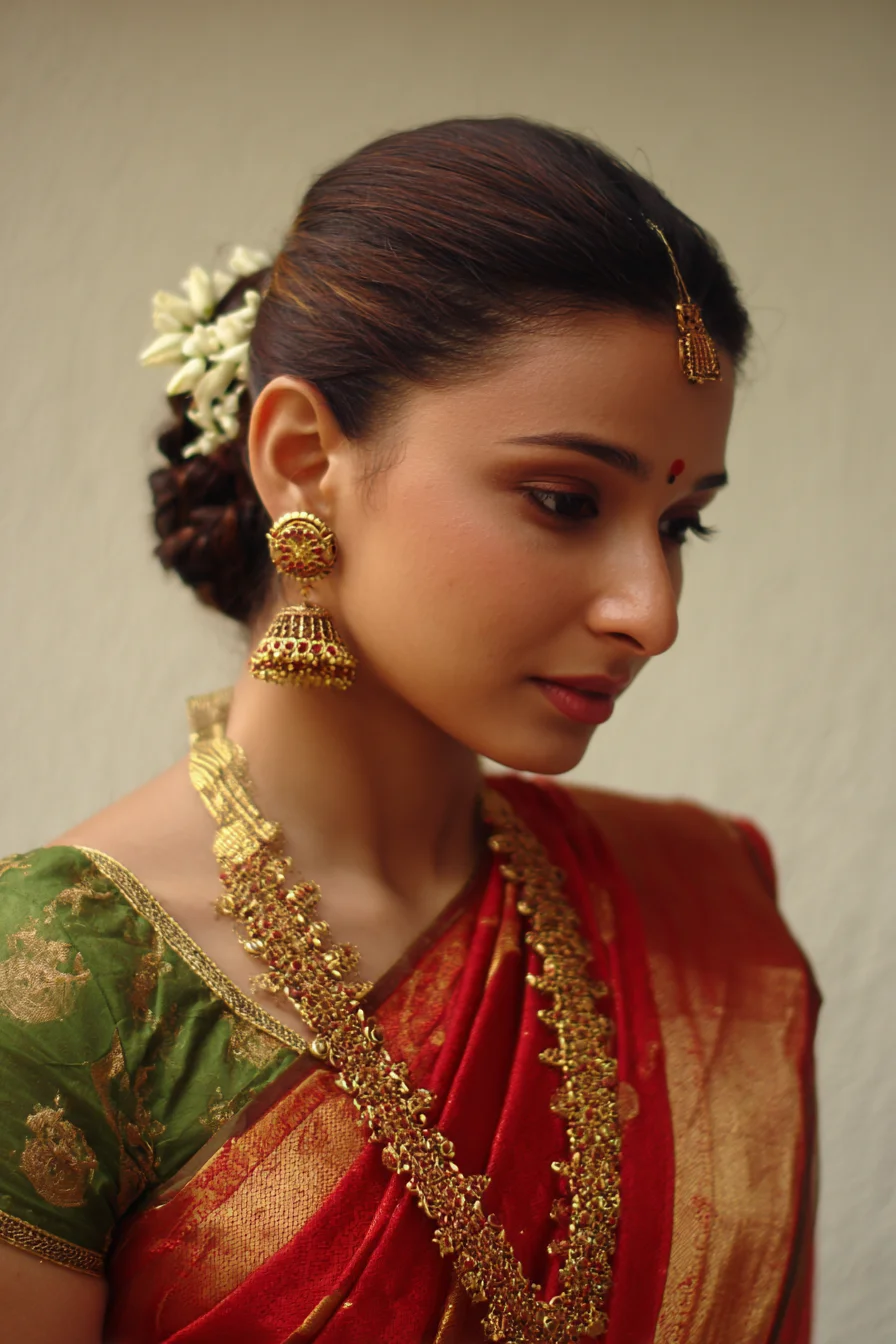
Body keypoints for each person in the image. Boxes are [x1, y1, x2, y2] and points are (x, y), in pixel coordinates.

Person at [0, 116, 819, 1344]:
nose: (649, 612)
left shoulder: (708, 909)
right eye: (562, 500)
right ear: (300, 459)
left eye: (677, 524)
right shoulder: (63, 987)